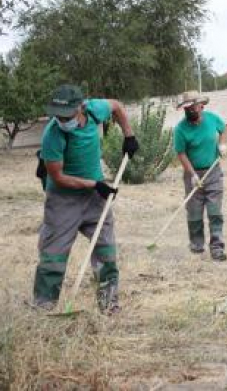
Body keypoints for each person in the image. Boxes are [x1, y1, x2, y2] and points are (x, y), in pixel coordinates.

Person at [32, 84, 139, 314]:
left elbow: (117, 107)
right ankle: (44, 308)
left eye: (66, 115)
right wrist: (95, 184)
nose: (62, 120)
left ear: (81, 107)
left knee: (106, 250)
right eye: (57, 115)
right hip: (63, 199)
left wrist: (129, 135)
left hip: (95, 198)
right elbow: (58, 176)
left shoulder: (95, 110)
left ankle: (109, 305)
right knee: (54, 253)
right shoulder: (53, 134)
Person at [173, 90, 227, 261]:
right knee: (194, 212)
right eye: (186, 109)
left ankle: (217, 247)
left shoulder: (212, 119)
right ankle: (197, 245)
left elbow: (224, 128)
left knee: (214, 211)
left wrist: (222, 145)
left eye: (192, 108)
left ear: (201, 106)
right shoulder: (180, 129)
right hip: (193, 173)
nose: (190, 112)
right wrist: (192, 175)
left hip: (213, 172)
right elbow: (181, 153)